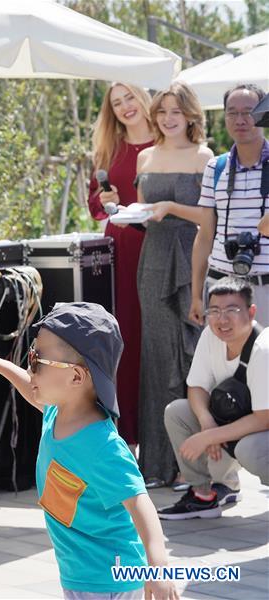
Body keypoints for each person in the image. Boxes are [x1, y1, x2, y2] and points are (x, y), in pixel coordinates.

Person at [0, 302, 178, 600]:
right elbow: (31, 387)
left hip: (110, 579)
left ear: (76, 377)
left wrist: (158, 567)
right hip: (80, 573)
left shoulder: (101, 446)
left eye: (38, 360)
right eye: (31, 355)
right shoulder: (59, 412)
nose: (31, 367)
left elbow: (141, 506)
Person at [133, 81, 213, 488]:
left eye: (175, 112)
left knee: (190, 360)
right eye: (162, 111)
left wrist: (170, 208)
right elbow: (145, 214)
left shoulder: (204, 156)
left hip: (191, 260)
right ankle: (157, 465)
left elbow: (208, 219)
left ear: (190, 116)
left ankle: (194, 465)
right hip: (152, 261)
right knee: (157, 360)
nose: (167, 118)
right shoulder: (144, 157)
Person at [160, 277, 268, 520]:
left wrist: (209, 436)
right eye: (215, 311)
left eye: (232, 310)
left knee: (251, 450)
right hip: (239, 419)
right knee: (178, 412)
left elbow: (264, 419)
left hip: (261, 428)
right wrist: (206, 421)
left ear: (251, 312)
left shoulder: (264, 349)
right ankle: (203, 495)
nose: (222, 319)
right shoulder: (211, 335)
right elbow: (196, 386)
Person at [87, 82, 155, 450]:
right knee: (125, 342)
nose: (126, 106)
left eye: (131, 97)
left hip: (159, 248)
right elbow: (95, 209)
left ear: (146, 99)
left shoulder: (166, 142)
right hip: (119, 251)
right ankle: (127, 438)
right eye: (117, 103)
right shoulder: (107, 150)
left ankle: (161, 439)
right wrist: (104, 199)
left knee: (158, 341)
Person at [188, 84, 269, 326]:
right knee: (221, 364)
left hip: (265, 288)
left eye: (249, 111)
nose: (240, 119)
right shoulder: (216, 167)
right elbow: (205, 236)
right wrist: (196, 295)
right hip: (221, 287)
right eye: (232, 112)